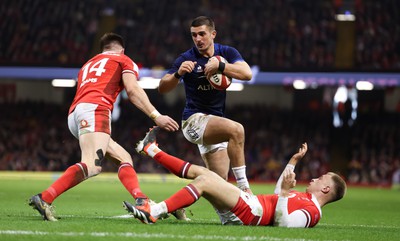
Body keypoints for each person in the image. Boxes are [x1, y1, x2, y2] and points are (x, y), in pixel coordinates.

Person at [28, 33, 180, 221]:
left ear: (103, 49)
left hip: (75, 114)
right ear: (122, 49)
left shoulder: (87, 65)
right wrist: (156, 116)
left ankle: (142, 200)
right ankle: (45, 197)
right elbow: (133, 91)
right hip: (96, 110)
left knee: (124, 158)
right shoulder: (124, 60)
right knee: (92, 166)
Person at [123, 127, 347, 227]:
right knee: (204, 173)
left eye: (322, 179)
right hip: (251, 206)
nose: (316, 178)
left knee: (204, 181)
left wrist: (287, 193)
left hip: (252, 213)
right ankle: (151, 149)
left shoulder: (312, 213)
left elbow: (284, 224)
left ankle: (155, 211)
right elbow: (279, 194)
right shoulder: (306, 201)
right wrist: (293, 162)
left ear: (326, 190)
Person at [158, 16, 253, 193]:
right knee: (237, 130)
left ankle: (177, 207)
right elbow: (162, 88)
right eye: (194, 35)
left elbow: (247, 74)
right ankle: (245, 188)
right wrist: (178, 74)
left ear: (213, 34)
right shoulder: (186, 58)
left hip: (214, 123)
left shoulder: (227, 52)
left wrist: (221, 66)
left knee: (218, 184)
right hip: (193, 121)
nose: (198, 39)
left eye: (202, 34)